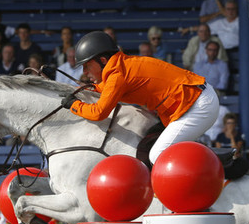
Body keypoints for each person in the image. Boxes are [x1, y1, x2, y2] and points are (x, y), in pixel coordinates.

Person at [62, 31, 219, 166]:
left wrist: (74, 105)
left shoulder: (118, 75)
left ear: (102, 61)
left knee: (157, 154)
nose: (84, 71)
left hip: (198, 105)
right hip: (197, 100)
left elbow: (98, 113)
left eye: (87, 65)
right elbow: (105, 89)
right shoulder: (119, 68)